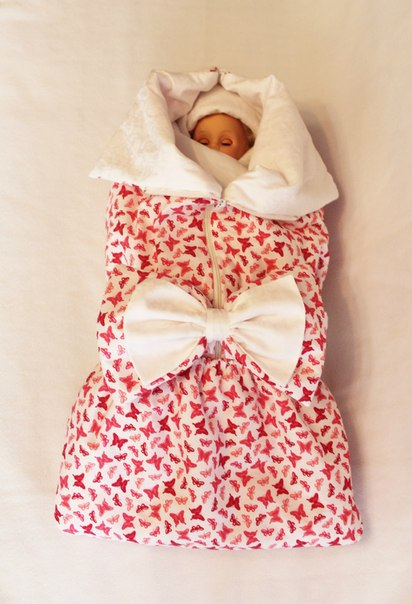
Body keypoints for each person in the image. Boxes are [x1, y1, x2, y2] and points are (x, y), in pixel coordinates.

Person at [55, 69, 363, 549]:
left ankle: (298, 513)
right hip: (158, 361)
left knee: (299, 469)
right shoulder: (150, 199)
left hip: (267, 368)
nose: (215, 147)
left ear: (251, 146)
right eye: (203, 140)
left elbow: (301, 272)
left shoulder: (282, 205)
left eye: (228, 139)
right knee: (128, 441)